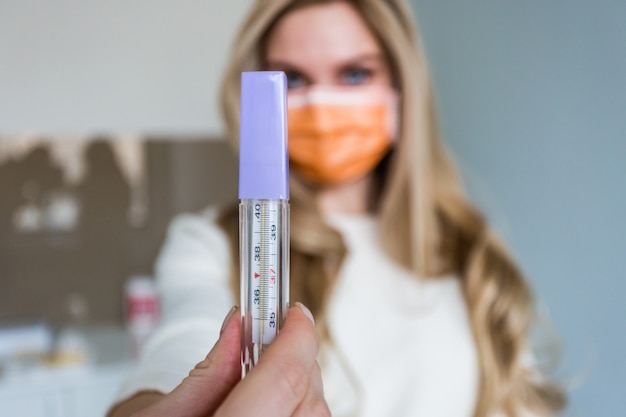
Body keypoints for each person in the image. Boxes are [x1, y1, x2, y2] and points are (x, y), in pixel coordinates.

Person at [109, 0, 566, 416]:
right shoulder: (210, 242)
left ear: (401, 87)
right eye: (292, 78)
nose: (323, 107)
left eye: (354, 74)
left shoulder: (468, 248)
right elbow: (177, 354)